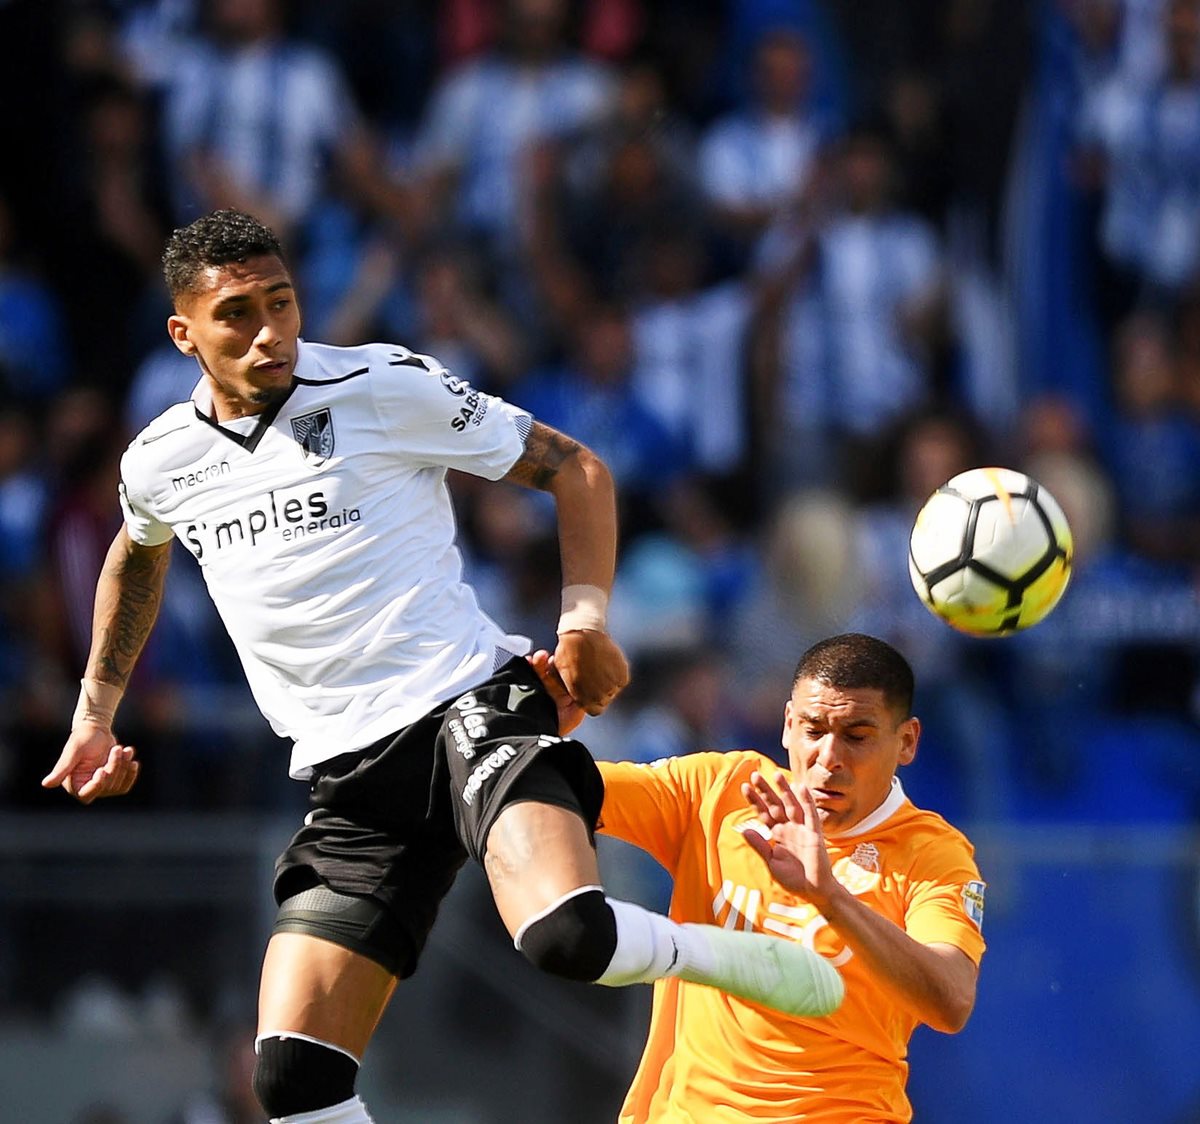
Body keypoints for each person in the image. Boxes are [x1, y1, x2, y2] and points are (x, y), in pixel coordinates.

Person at [41, 208, 843, 1124]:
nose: (271, 334)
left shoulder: (380, 384)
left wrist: (583, 618)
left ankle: (730, 959)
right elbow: (136, 553)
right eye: (237, 315)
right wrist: (95, 714)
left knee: (566, 935)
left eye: (283, 302)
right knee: (290, 1083)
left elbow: (575, 468)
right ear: (184, 333)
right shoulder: (159, 460)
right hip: (346, 776)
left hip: (471, 709)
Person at [537, 632, 985, 1122]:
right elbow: (558, 785)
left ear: (907, 741)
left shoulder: (932, 854)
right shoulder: (720, 791)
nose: (829, 758)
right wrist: (544, 731)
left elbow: (952, 1001)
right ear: (788, 726)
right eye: (814, 731)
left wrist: (829, 896)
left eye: (857, 736)